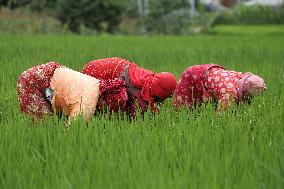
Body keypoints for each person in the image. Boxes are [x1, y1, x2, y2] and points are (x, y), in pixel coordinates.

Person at [17, 62, 128, 123]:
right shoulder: (87, 104)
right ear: (105, 100)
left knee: (57, 118)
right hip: (33, 82)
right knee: (43, 125)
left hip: (49, 77)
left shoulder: (97, 84)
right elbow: (71, 132)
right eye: (108, 107)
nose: (106, 111)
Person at [82, 57, 177, 115]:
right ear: (160, 92)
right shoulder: (141, 95)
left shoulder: (150, 79)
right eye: (164, 97)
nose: (163, 100)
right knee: (91, 106)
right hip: (101, 73)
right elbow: (135, 116)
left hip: (116, 66)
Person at [173, 64, 267, 112]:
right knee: (183, 110)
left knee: (204, 109)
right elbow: (222, 118)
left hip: (208, 72)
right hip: (193, 76)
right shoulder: (229, 91)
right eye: (250, 96)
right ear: (245, 90)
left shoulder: (243, 78)